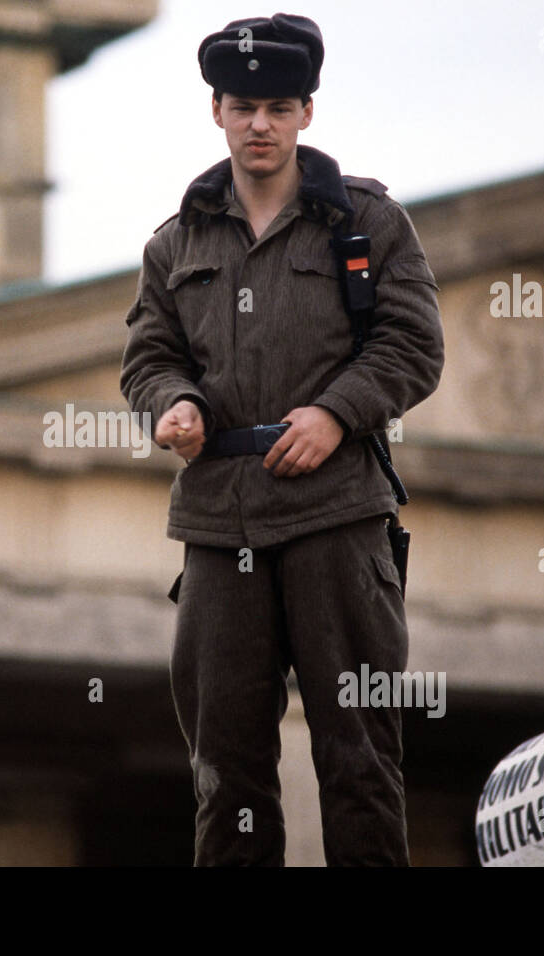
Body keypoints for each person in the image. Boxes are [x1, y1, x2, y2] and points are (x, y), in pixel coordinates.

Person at [120, 13, 443, 866]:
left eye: (277, 105)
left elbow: (414, 346)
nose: (258, 123)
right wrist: (174, 403)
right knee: (225, 772)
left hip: (336, 516)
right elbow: (147, 358)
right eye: (241, 105)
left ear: (306, 111)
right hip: (220, 529)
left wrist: (338, 413)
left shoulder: (368, 224)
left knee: (360, 757)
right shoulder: (175, 241)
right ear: (217, 112)